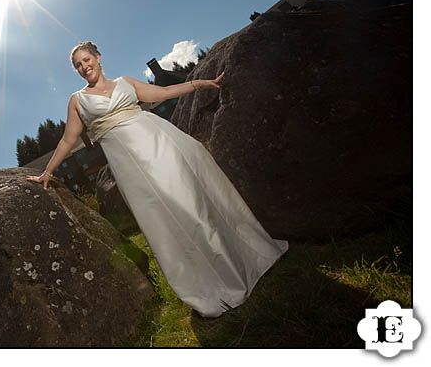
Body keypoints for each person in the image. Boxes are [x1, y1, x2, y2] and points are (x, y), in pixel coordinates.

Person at [27, 41, 288, 318]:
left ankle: (238, 260)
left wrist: (198, 83)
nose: (84, 67)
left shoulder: (125, 82)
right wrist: (48, 172)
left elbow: (162, 93)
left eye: (87, 59)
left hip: (161, 145)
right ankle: (207, 280)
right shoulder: (78, 101)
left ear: (98, 57)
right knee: (166, 219)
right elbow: (68, 139)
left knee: (193, 202)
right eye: (78, 65)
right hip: (132, 167)